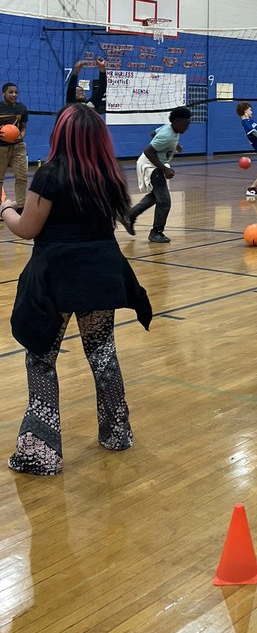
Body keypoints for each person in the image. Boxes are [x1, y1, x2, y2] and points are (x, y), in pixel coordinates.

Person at [1, 104, 151, 475]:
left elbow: (26, 229)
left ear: (61, 135)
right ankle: (117, 433)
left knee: (41, 357)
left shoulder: (50, 174)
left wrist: (3, 207)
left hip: (57, 277)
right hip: (100, 274)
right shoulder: (109, 175)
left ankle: (41, 454)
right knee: (102, 354)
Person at [128, 106, 192, 242]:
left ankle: (130, 216)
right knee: (164, 201)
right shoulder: (167, 135)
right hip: (151, 165)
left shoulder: (171, 128)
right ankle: (156, 232)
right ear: (176, 121)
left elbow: (153, 134)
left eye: (188, 124)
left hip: (154, 163)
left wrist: (174, 145)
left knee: (155, 196)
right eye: (185, 124)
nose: (187, 127)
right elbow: (148, 151)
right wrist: (165, 169)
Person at [0, 82, 28, 210]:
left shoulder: (22, 108)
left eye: (16, 92)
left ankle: (21, 207)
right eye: (11, 92)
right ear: (3, 94)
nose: (14, 95)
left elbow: (23, 128)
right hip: (1, 147)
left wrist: (20, 136)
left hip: (18, 147)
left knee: (22, 176)